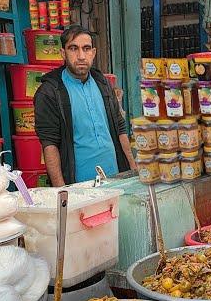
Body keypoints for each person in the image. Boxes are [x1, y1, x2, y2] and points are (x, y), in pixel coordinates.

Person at [34, 25, 136, 186]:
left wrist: (132, 168)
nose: (81, 56)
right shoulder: (50, 91)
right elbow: (49, 144)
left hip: (116, 177)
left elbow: (120, 127)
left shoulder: (103, 83)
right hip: (81, 186)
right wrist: (63, 192)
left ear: (93, 53)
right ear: (63, 53)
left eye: (86, 48)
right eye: (73, 48)